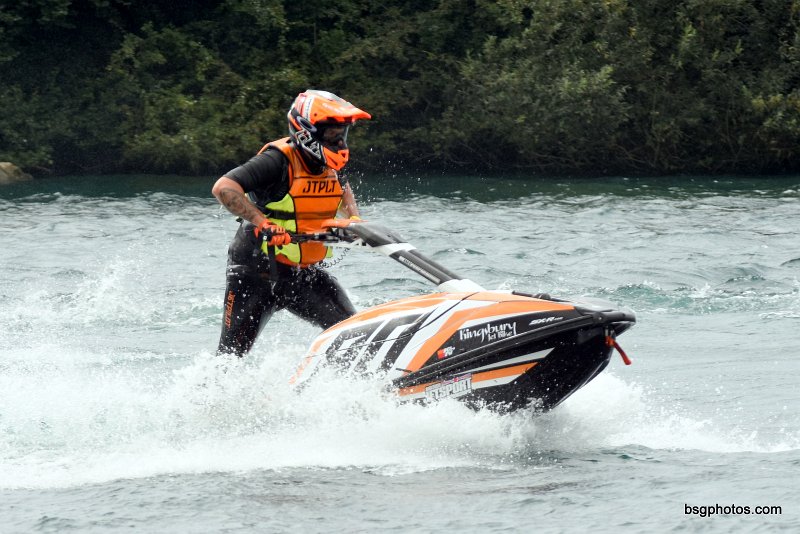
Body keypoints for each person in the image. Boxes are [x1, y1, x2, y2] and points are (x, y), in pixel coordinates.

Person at [212, 90, 371, 356]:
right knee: (229, 358)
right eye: (332, 135)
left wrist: (353, 218)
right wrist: (263, 223)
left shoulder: (331, 162)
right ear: (307, 132)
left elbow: (342, 187)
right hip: (254, 272)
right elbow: (223, 187)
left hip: (300, 275)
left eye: (342, 134)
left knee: (351, 333)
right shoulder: (276, 161)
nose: (339, 142)